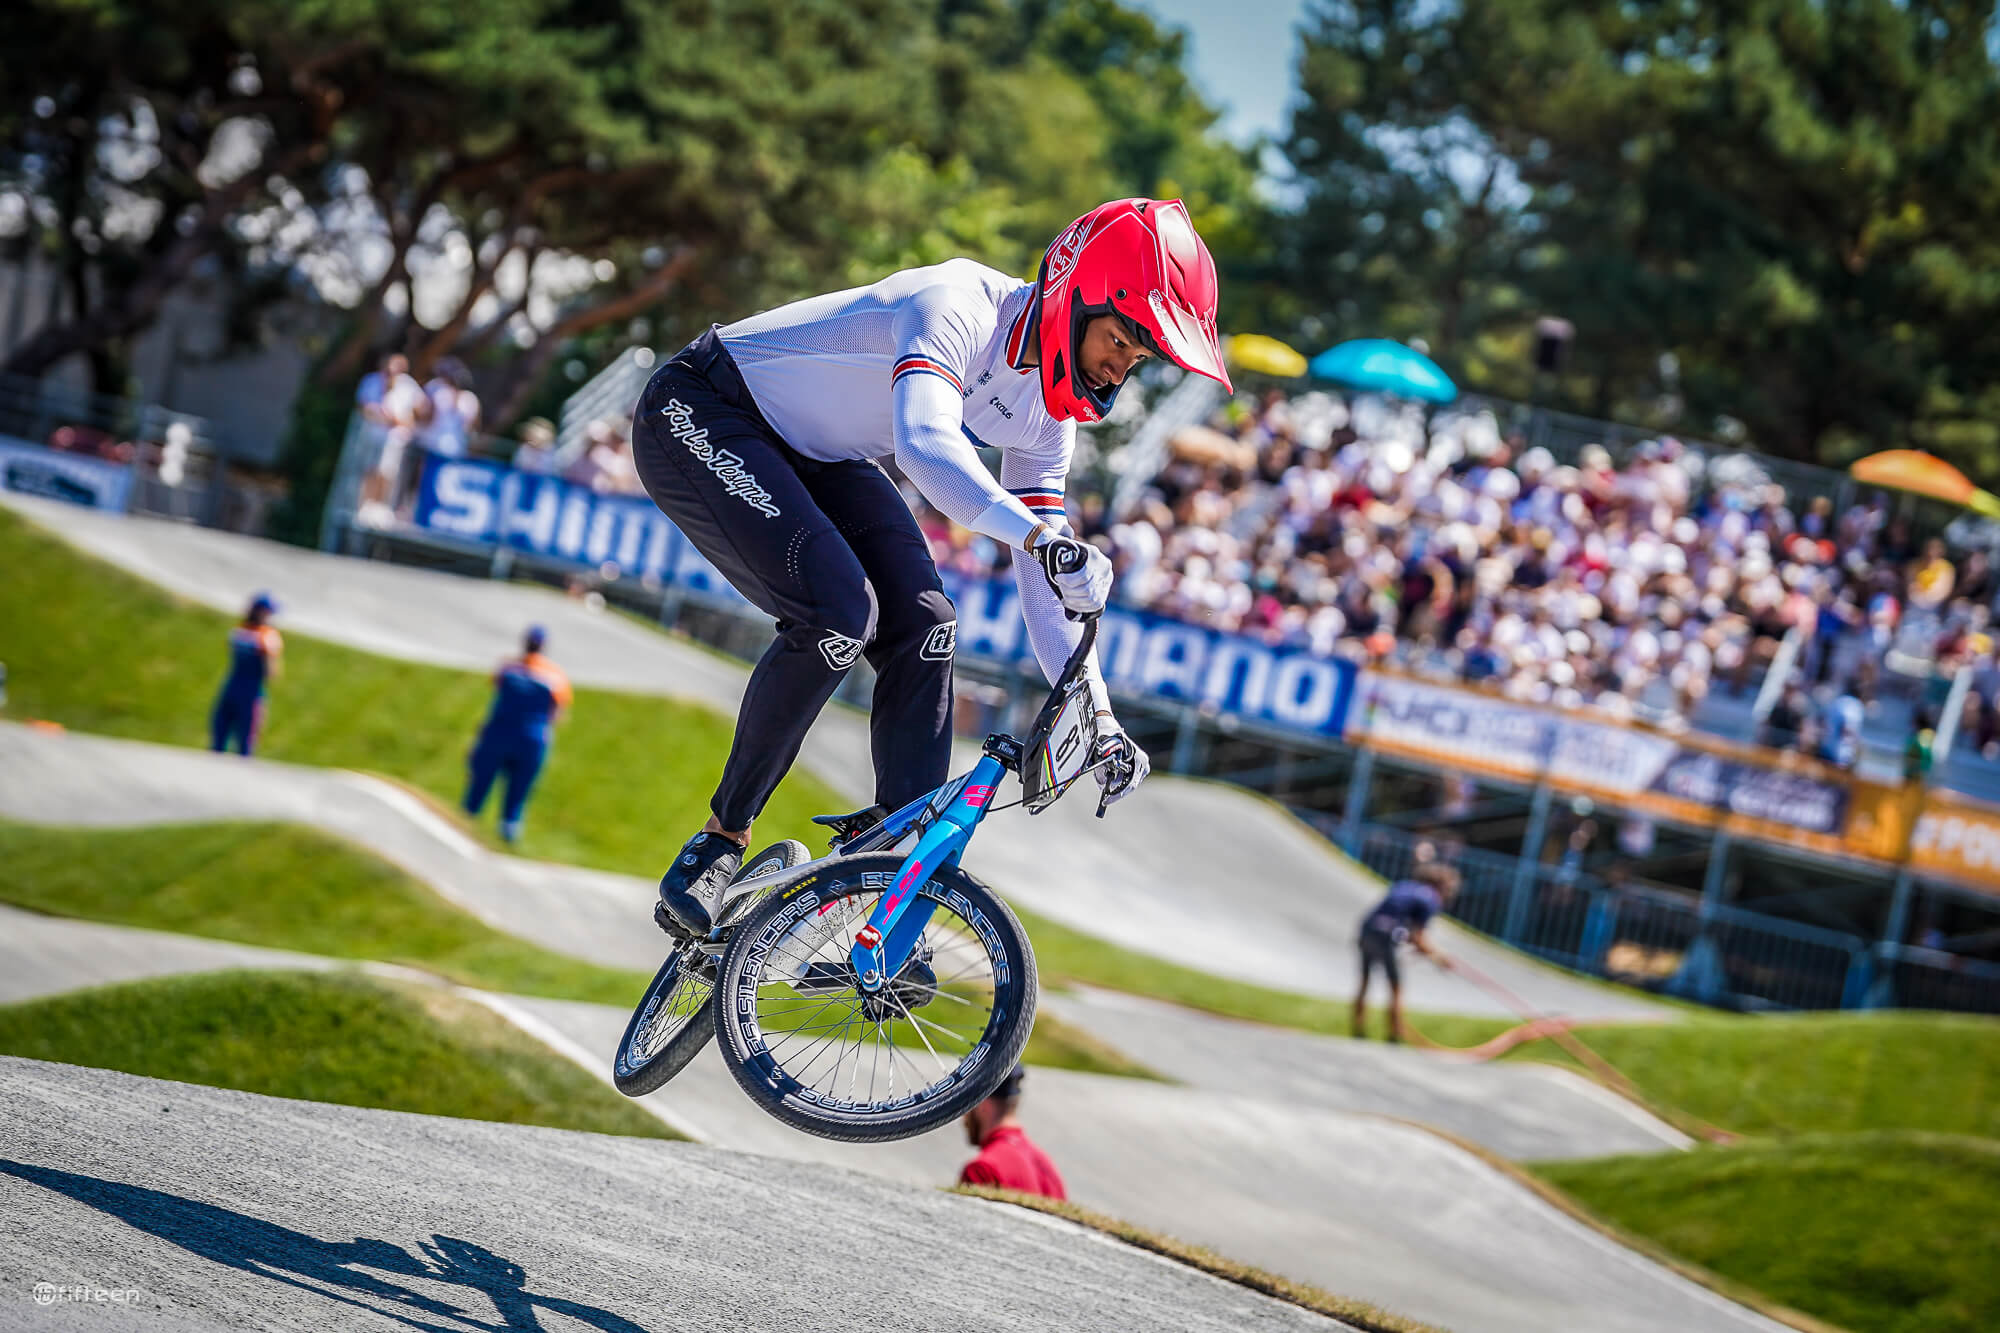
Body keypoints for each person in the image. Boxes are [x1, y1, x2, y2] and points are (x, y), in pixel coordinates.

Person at [635, 196, 1232, 937]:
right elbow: (922, 447)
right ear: (1069, 293)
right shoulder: (955, 305)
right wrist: (1045, 539)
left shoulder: (1050, 418)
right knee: (838, 614)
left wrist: (1098, 714)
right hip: (702, 407)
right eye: (1118, 339)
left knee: (927, 627)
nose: (1119, 367)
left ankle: (887, 889)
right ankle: (718, 843)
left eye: (1136, 358)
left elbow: (1044, 578)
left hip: (822, 454)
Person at [463, 625, 572, 844]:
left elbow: (496, 696)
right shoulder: (556, 677)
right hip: (532, 739)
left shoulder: (508, 667)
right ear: (544, 646)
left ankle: (464, 827)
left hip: (499, 733)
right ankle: (508, 836)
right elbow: (558, 715)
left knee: (478, 787)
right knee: (517, 797)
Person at [1351, 862, 1459, 1043]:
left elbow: (1398, 920)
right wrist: (1440, 958)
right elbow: (1419, 937)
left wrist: (1418, 945)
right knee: (1395, 987)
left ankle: (1358, 1029)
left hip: (1367, 930)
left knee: (1364, 981)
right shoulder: (1430, 898)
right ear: (1439, 885)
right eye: (1448, 888)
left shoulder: (1404, 886)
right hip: (1386, 937)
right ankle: (1395, 1033)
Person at [957, 1067, 1066, 1200]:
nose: (963, 1117)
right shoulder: (1047, 1167)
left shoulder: (982, 1170)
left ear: (981, 1102)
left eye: (966, 1104)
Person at [210, 593, 282, 756]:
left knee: (219, 739)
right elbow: (271, 673)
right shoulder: (267, 636)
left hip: (231, 685)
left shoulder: (238, 630)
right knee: (245, 744)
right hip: (251, 691)